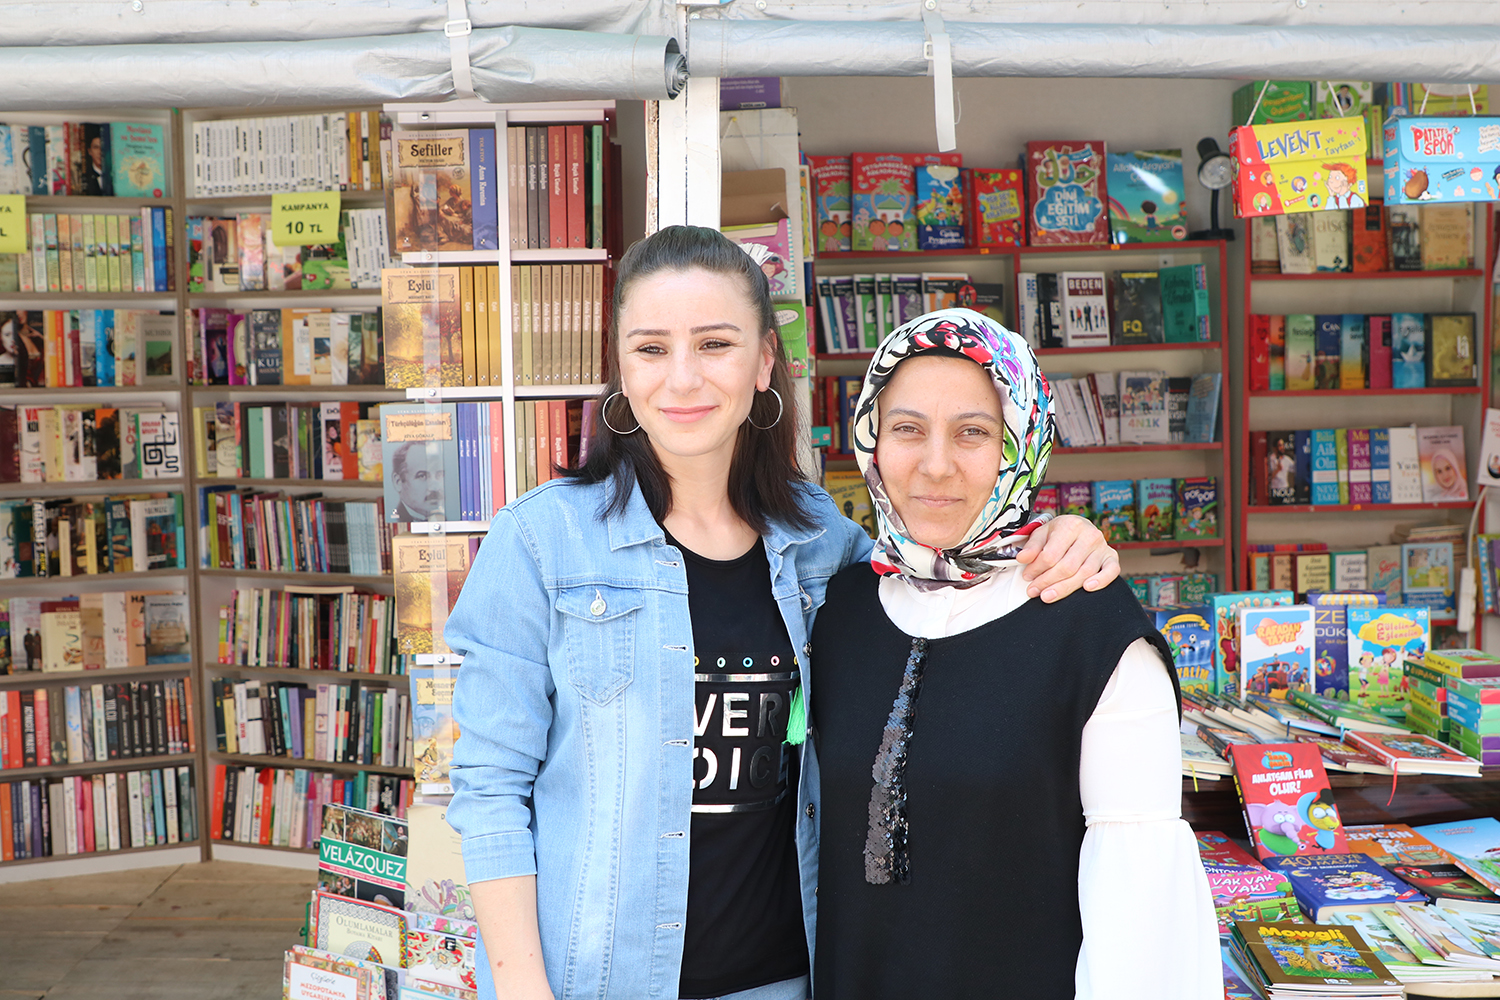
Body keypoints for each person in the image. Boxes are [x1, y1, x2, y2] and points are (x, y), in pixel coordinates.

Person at [443, 226, 1120, 1000]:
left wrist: (1059, 536)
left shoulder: (818, 540)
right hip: (599, 979)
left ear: (765, 361)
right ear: (621, 367)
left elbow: (944, 587)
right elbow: (491, 788)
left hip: (785, 978)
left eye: (715, 344)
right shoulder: (541, 541)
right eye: (651, 348)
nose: (683, 378)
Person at [810, 309, 1218, 999]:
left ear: (1021, 444)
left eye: (973, 432)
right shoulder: (843, 609)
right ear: (873, 441)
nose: (936, 464)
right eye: (908, 429)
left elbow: (1142, 909)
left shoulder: (1092, 629)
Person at [391, 440, 445, 521]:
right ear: (397, 481)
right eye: (422, 476)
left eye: (439, 475)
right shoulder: (395, 519)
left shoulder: (447, 517)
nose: (435, 488)